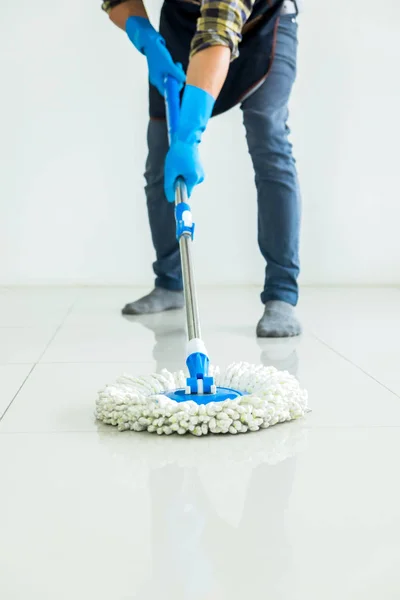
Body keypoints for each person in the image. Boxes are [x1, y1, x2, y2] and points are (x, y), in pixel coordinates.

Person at [102, 0, 302, 337]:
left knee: (268, 136)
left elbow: (216, 34)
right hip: (182, 28)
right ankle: (170, 283)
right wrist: (146, 38)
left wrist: (190, 137)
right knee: (160, 154)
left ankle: (281, 295)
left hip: (263, 26)